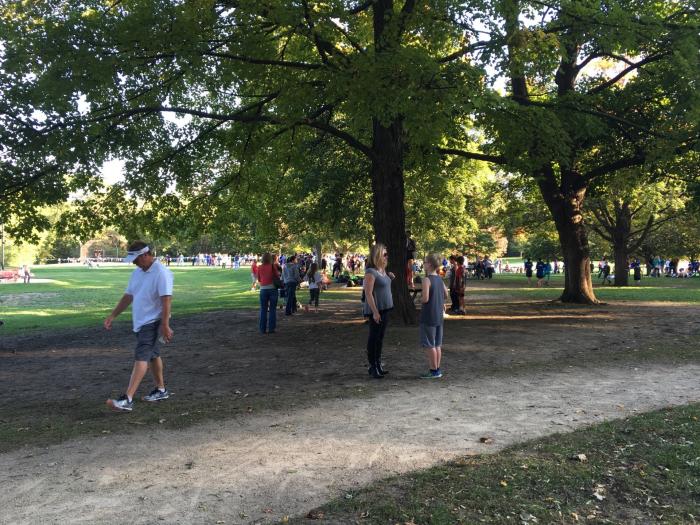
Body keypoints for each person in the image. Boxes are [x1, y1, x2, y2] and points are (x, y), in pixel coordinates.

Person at [104, 241, 174, 412]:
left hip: (152, 322)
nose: (134, 263)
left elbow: (166, 301)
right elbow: (128, 296)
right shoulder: (137, 273)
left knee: (141, 357)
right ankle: (161, 390)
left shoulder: (161, 273)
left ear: (146, 255)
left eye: (136, 259)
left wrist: (165, 325)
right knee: (153, 355)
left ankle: (127, 398)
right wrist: (113, 315)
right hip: (141, 322)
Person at [362, 243, 395, 379]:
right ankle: (372, 366)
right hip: (376, 310)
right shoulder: (371, 272)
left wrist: (389, 277)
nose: (386, 257)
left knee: (380, 337)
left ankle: (378, 363)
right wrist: (375, 312)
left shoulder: (382, 270)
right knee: (374, 337)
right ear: (377, 255)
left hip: (386, 308)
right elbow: (368, 293)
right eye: (384, 254)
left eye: (387, 254)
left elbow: (382, 286)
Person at [419, 254, 448, 379]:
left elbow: (425, 299)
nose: (423, 264)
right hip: (438, 316)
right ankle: (437, 369)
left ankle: (433, 370)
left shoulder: (427, 280)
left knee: (429, 344)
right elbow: (446, 294)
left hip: (428, 315)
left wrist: (420, 298)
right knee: (437, 344)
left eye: (425, 262)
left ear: (429, 264)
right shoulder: (440, 279)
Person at [257, 253, 280, 333]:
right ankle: (271, 329)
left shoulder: (260, 267)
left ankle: (262, 329)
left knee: (263, 309)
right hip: (273, 289)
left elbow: (259, 279)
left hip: (263, 289)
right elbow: (277, 276)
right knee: (272, 309)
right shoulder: (272, 266)